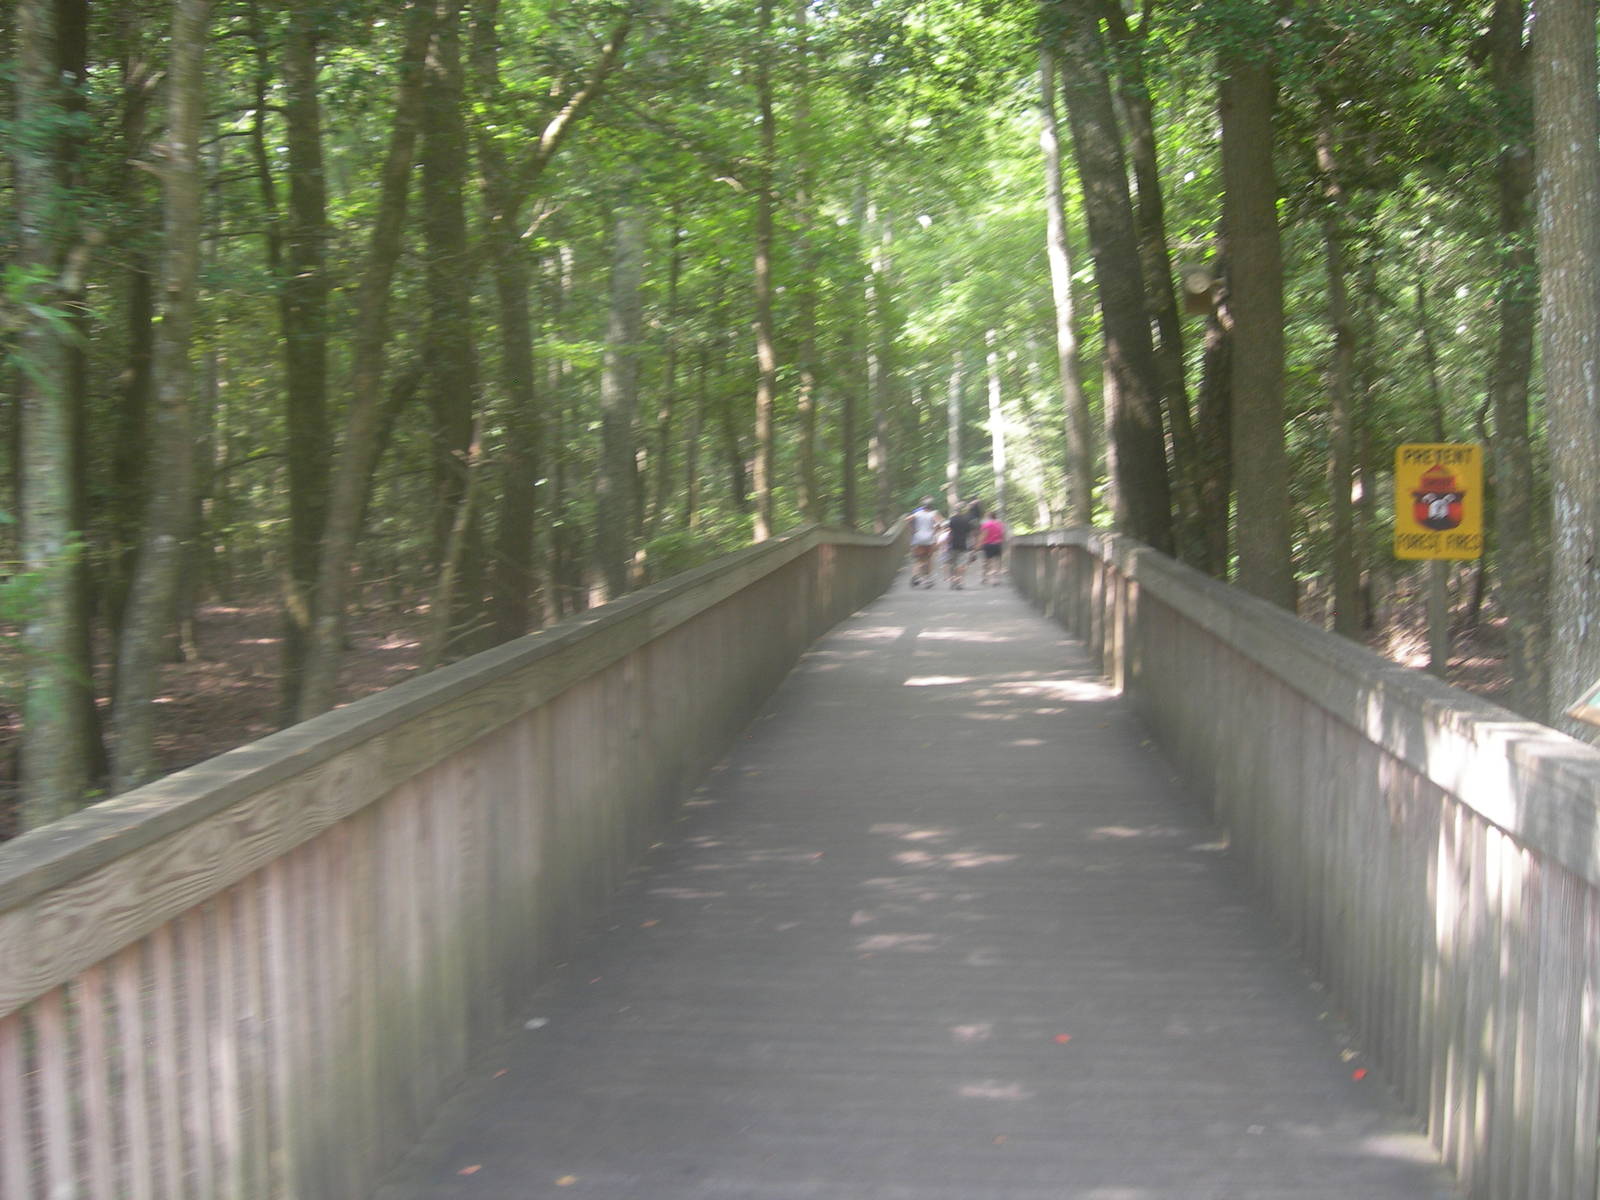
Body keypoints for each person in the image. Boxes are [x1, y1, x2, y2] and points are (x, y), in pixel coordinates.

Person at [907, 497, 941, 588]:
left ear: (923, 506)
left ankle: (915, 576)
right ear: (931, 506)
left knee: (919, 559)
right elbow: (939, 524)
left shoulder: (917, 513)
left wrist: (913, 530)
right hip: (929, 539)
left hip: (918, 538)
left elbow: (907, 519)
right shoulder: (933, 513)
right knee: (928, 559)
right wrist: (934, 531)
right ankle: (927, 580)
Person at [945, 499, 974, 588]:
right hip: (963, 544)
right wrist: (972, 546)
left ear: (955, 510)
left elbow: (949, 532)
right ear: (963, 510)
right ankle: (959, 581)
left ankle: (953, 580)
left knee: (952, 563)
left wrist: (946, 544)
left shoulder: (952, 519)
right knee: (961, 564)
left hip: (953, 544)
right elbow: (970, 534)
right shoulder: (967, 520)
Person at [979, 509, 1006, 585]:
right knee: (997, 562)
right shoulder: (1000, 524)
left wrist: (979, 544)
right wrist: (1002, 541)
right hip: (998, 544)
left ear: (988, 517)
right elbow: (1003, 534)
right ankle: (995, 579)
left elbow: (984, 535)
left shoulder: (986, 524)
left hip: (988, 544)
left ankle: (984, 578)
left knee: (986, 562)